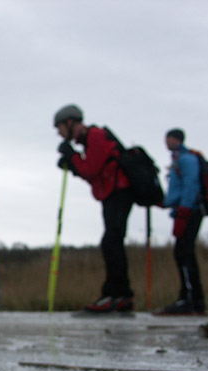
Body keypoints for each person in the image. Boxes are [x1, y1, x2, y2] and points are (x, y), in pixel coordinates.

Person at [54, 104, 135, 313]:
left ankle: (116, 295)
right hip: (113, 194)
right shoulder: (89, 140)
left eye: (59, 127)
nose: (59, 133)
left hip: (119, 192)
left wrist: (72, 157)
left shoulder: (95, 136)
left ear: (70, 123)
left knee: (111, 241)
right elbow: (92, 174)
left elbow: (90, 171)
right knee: (112, 241)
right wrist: (73, 162)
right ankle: (120, 295)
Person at [154, 128, 206, 315]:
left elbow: (191, 184)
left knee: (184, 253)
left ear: (175, 139)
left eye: (167, 139)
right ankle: (190, 298)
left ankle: (192, 300)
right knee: (183, 253)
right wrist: (167, 203)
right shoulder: (179, 159)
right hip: (184, 210)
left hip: (189, 211)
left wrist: (183, 210)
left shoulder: (185, 159)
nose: (165, 143)